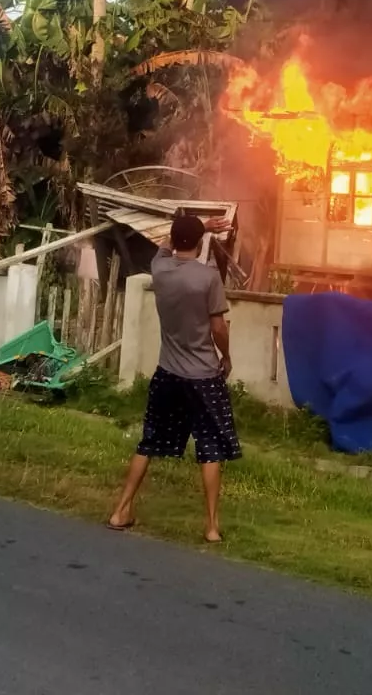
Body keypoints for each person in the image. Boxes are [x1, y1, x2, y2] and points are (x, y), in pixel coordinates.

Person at [108, 213, 239, 543]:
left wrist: (197, 227)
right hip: (204, 376)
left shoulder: (160, 269)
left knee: (148, 441)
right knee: (210, 448)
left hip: (168, 371)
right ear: (198, 242)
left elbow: (165, 245)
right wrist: (226, 357)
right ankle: (210, 527)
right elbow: (218, 327)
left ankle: (120, 510)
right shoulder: (207, 277)